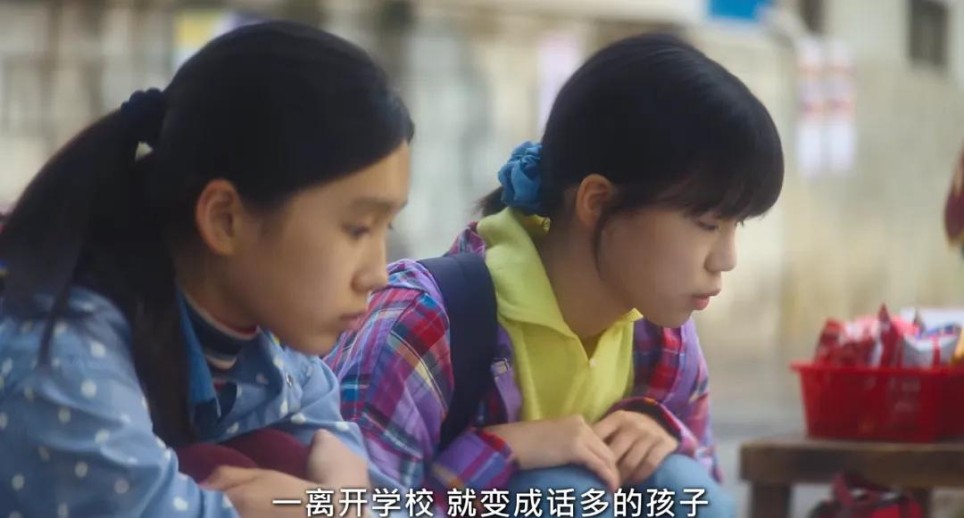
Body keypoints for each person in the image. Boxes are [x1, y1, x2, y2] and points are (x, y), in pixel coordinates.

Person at [327, 33, 784, 517]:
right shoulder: (424, 322)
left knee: (677, 482)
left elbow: (702, 477)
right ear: (597, 202)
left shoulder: (661, 334)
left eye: (736, 225)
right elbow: (351, 506)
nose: (726, 259)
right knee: (565, 494)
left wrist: (664, 436)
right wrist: (504, 451)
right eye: (708, 223)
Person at [0, 21, 412, 518]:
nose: (378, 274)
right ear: (224, 219)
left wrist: (339, 501)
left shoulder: (274, 354)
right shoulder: (62, 356)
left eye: (387, 226)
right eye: (358, 228)